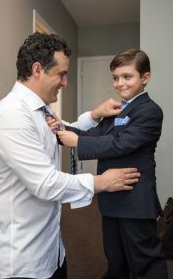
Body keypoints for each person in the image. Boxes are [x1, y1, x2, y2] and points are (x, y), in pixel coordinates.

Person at [0, 33, 140, 279]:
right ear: (37, 70)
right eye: (61, 74)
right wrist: (102, 182)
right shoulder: (11, 116)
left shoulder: (40, 110)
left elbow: (64, 130)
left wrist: (96, 114)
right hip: (23, 259)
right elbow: (46, 183)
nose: (65, 82)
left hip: (51, 247)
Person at [54, 49, 168, 279]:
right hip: (111, 197)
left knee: (145, 260)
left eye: (127, 76)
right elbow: (96, 135)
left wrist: (77, 142)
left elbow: (121, 143)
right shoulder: (115, 111)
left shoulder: (150, 111)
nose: (120, 83)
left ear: (144, 77)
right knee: (115, 256)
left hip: (135, 199)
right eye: (115, 77)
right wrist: (61, 128)